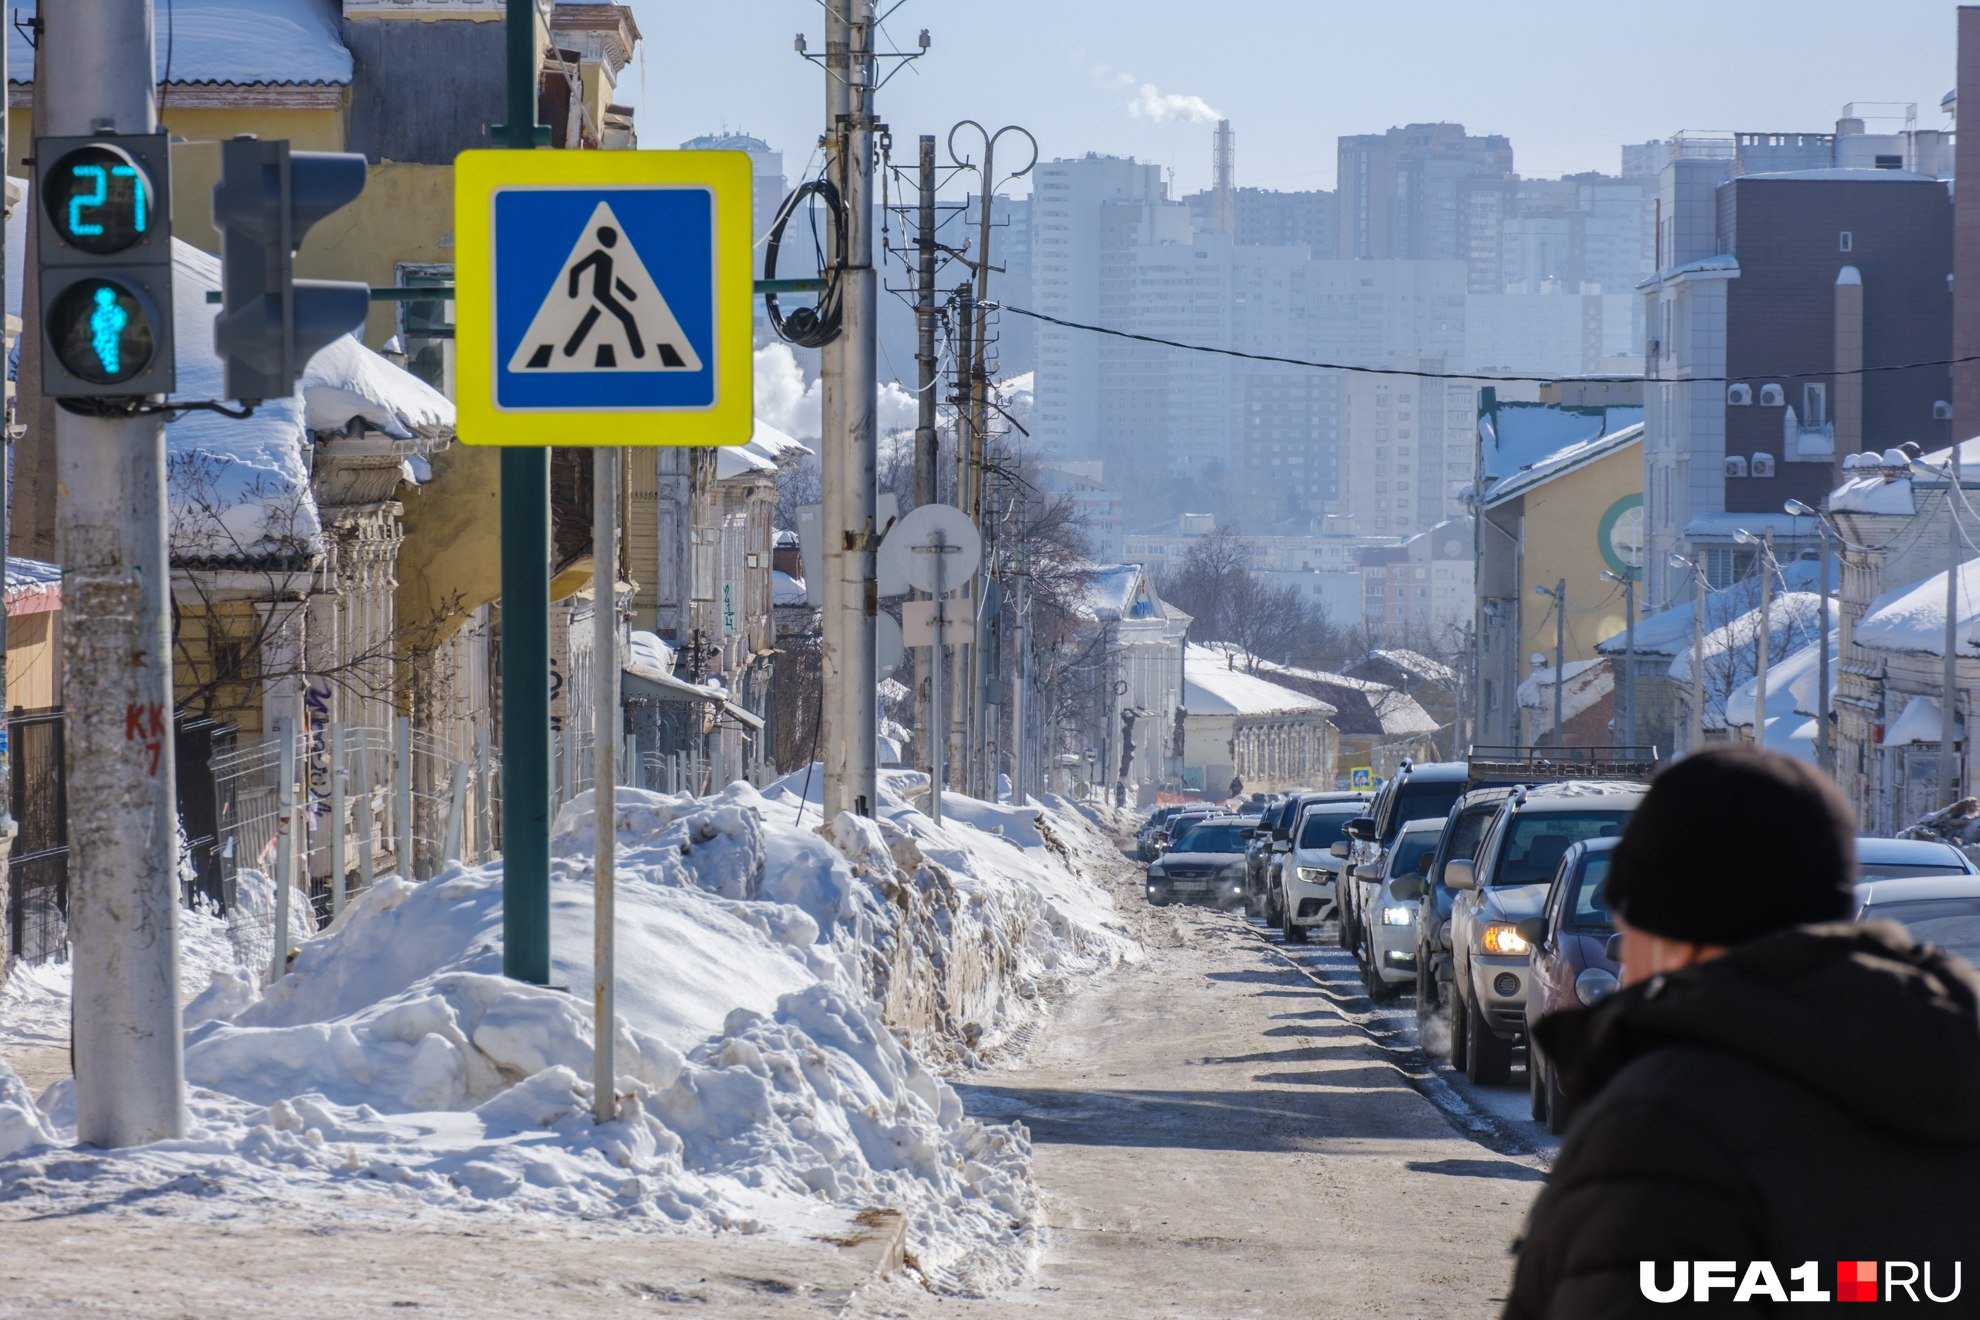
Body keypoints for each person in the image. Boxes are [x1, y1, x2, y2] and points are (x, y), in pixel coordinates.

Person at [1505, 747, 1980, 1317]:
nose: (1623, 944)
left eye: (1625, 918)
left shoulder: (1666, 1127)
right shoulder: (1955, 1067)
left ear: (1676, 924)